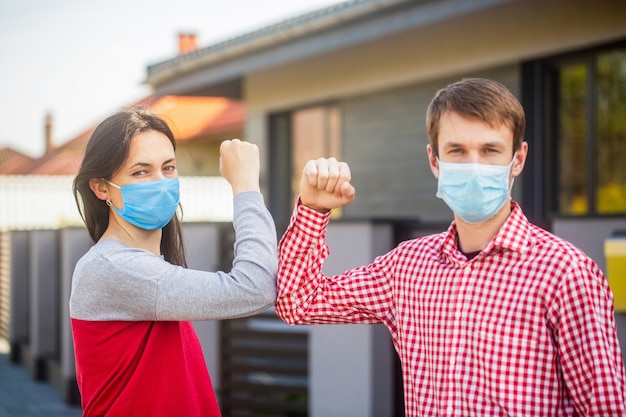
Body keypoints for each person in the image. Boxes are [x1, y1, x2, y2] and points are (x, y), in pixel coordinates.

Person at [275, 78, 626, 416]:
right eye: (457, 150)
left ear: (517, 159)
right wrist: (314, 208)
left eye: (490, 150)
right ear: (434, 161)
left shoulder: (566, 273)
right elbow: (298, 302)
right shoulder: (406, 267)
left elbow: (606, 409)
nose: (474, 165)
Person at [70, 108, 277, 416]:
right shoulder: (117, 268)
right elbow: (254, 288)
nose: (160, 181)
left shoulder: (148, 268)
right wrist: (245, 186)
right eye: (141, 172)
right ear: (101, 188)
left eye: (168, 168)